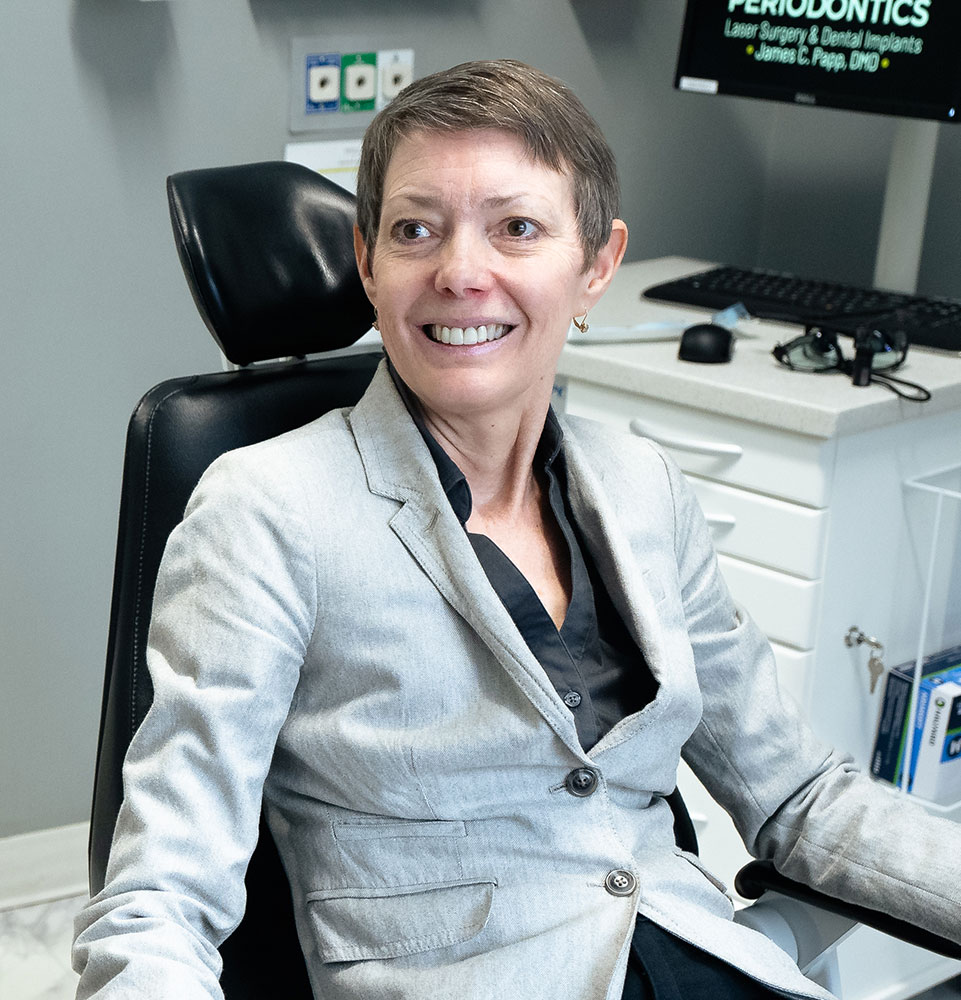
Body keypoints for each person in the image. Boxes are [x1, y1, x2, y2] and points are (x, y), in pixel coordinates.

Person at [73, 59, 960, 1000]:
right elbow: (158, 900)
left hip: (702, 961)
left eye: (517, 228)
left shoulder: (642, 489)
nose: (461, 273)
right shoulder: (267, 509)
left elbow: (800, 795)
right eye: (415, 230)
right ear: (368, 262)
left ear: (596, 266)